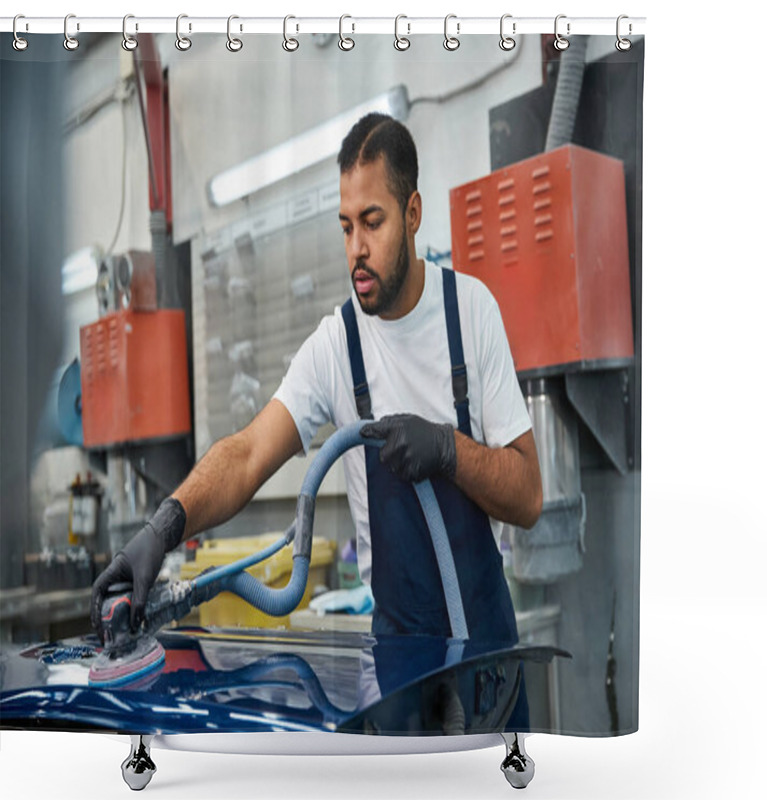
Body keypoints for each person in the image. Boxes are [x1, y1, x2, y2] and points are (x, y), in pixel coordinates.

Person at [91, 113, 542, 651]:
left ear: (413, 213)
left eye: (373, 222)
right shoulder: (336, 346)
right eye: (346, 226)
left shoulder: (469, 311)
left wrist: (449, 449)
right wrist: (162, 529)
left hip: (486, 651)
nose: (356, 248)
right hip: (399, 660)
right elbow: (247, 453)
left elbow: (529, 496)